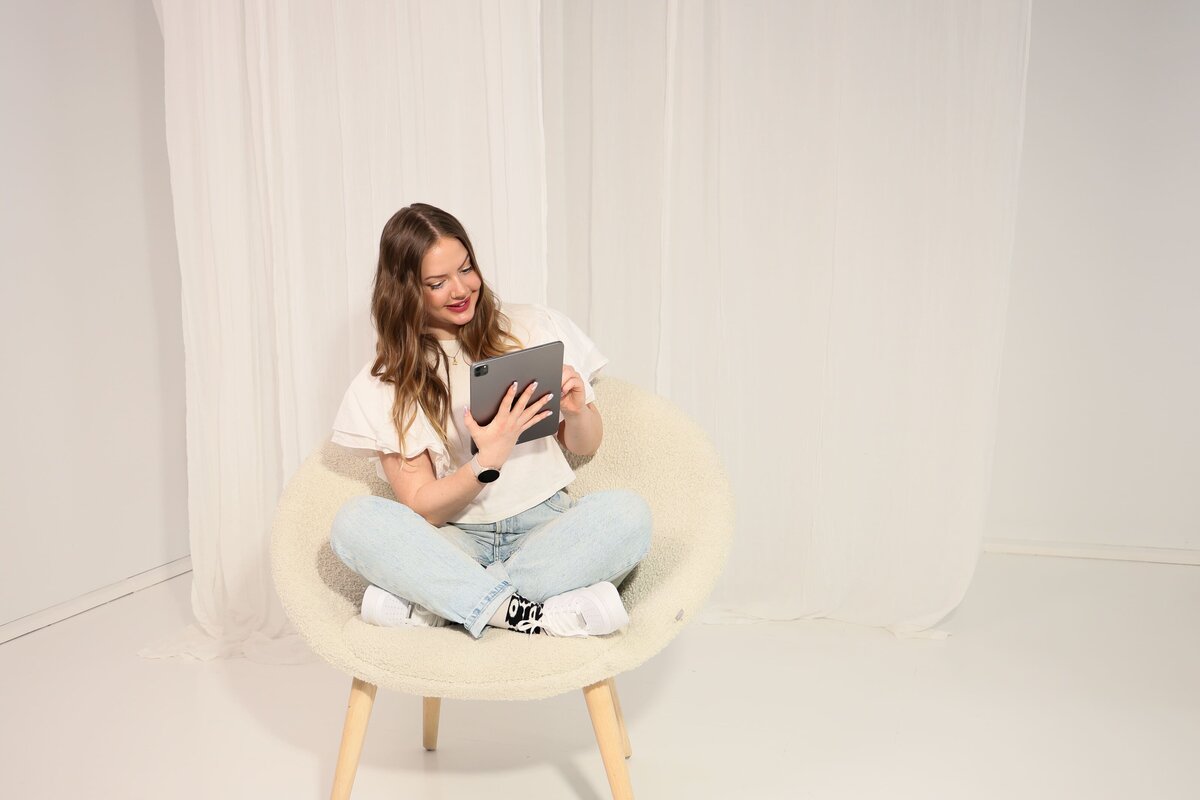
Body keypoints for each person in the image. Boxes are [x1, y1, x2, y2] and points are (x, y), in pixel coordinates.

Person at [328, 203, 652, 638]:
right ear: (405, 291)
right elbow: (421, 505)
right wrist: (486, 462)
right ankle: (530, 613)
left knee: (628, 515)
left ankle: (446, 605)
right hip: (458, 540)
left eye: (466, 269)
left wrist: (576, 411)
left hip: (546, 527)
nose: (461, 289)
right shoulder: (387, 381)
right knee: (356, 523)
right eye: (437, 282)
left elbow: (585, 444)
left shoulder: (531, 325)